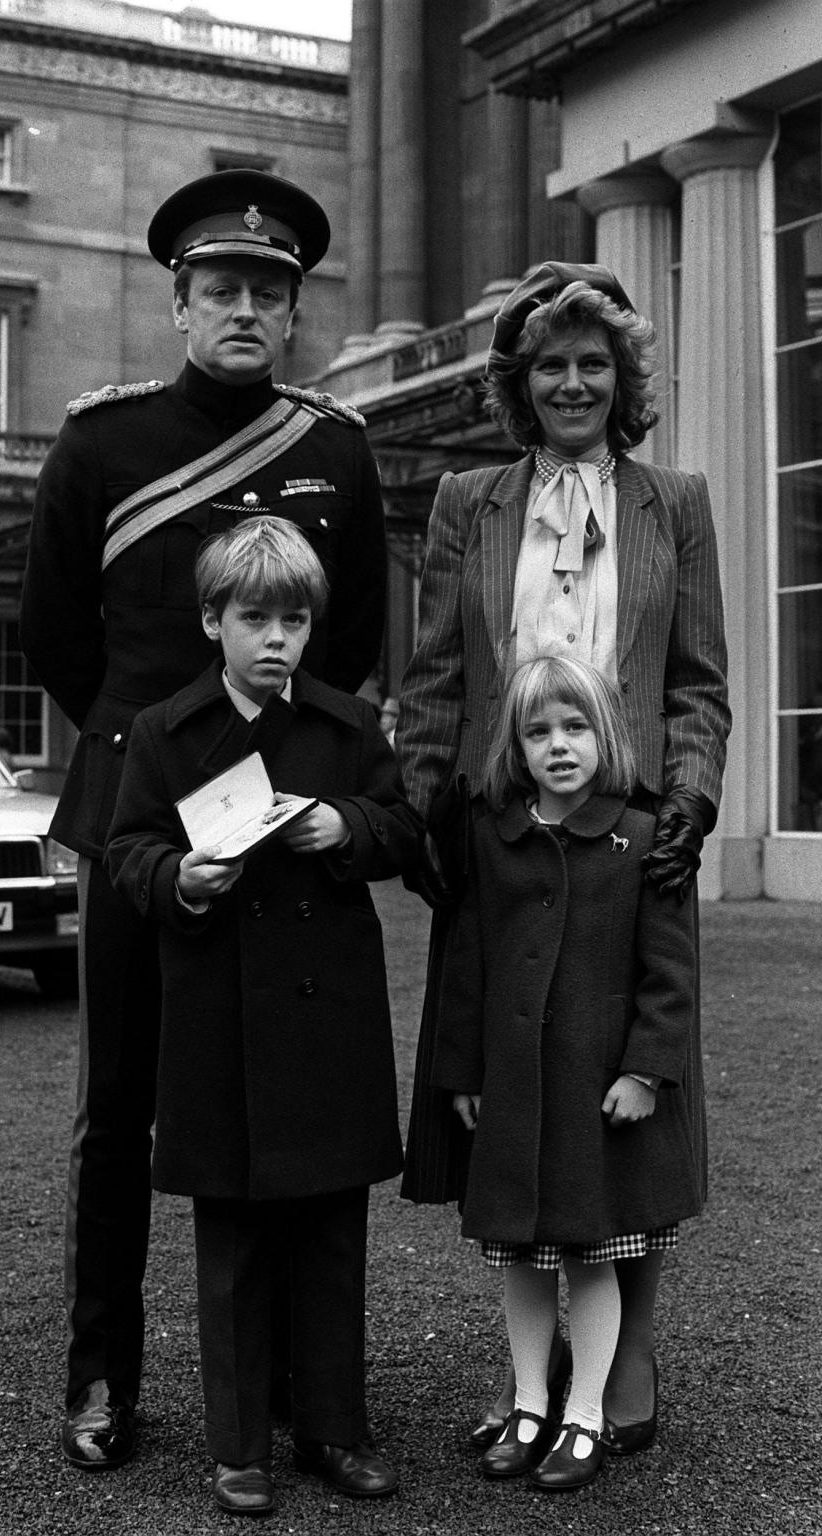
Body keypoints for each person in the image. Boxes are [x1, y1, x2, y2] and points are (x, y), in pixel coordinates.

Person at [19, 168, 388, 1470]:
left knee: (280, 1095)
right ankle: (101, 1378)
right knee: (119, 1106)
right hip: (139, 817)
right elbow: (59, 634)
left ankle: (294, 1388)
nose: (246, 309)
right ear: (179, 300)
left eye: (269, 292)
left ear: (293, 311)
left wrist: (279, 779)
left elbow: (355, 648)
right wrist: (152, 762)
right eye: (222, 287)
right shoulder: (99, 444)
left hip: (282, 824)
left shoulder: (335, 449)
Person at [396, 261, 730, 1453]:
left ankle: (623, 1351)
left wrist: (690, 798)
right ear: (518, 384)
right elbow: (435, 671)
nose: (574, 382)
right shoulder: (467, 503)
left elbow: (697, 681)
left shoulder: (674, 501)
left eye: (595, 363)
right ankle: (537, 1374)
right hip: (503, 832)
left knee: (623, 1082)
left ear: (623, 379)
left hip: (630, 834)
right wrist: (424, 805)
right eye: (551, 365)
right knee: (517, 1078)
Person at [104, 516, 417, 1516]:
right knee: (232, 1241)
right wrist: (180, 880)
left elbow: (403, 829)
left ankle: (334, 1431)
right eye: (254, 618)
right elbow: (127, 849)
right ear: (212, 622)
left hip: (330, 1021)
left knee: (332, 1236)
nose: (277, 638)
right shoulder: (164, 730)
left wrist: (348, 826)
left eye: (294, 619)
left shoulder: (346, 725)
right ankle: (239, 1448)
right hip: (218, 1020)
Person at [432, 655, 700, 1491]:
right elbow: (469, 966)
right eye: (538, 730)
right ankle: (527, 1406)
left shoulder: (644, 840)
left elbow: (671, 975)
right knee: (519, 1256)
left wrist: (646, 1073)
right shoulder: (496, 836)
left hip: (596, 1094)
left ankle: (583, 1417)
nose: (558, 746)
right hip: (514, 1090)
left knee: (590, 1256)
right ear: (515, 744)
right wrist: (463, 1072)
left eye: (576, 727)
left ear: (606, 735)